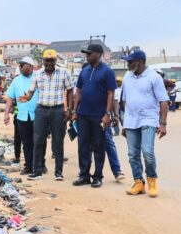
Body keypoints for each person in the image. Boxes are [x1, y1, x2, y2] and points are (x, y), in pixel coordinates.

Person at [121, 49, 169, 198]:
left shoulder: (154, 77)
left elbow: (163, 101)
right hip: (130, 120)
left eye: (130, 61)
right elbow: (124, 100)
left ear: (140, 62)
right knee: (132, 154)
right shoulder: (127, 77)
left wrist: (163, 124)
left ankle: (152, 180)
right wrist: (124, 122)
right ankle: (138, 182)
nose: (127, 64)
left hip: (148, 119)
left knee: (147, 151)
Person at [20, 49, 74, 181]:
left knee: (57, 142)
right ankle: (37, 171)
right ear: (43, 61)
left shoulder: (63, 72)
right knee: (38, 140)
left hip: (58, 110)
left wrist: (70, 109)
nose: (49, 63)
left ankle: (58, 172)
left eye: (52, 60)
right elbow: (31, 92)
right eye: (47, 60)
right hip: (41, 110)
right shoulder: (37, 74)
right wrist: (26, 97)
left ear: (56, 61)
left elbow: (70, 91)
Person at [72, 44, 116, 188]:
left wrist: (107, 114)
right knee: (82, 145)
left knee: (98, 146)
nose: (87, 55)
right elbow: (78, 91)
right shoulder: (84, 71)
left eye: (90, 53)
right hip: (83, 114)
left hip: (99, 115)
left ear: (99, 54)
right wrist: (74, 111)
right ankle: (84, 175)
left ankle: (97, 176)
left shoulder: (107, 71)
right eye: (86, 53)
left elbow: (111, 93)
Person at [4, 57, 46, 175]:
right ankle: (28, 166)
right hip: (22, 116)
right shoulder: (16, 81)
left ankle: (41, 165)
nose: (20, 66)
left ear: (31, 66)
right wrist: (6, 114)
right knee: (26, 142)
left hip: (38, 115)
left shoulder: (38, 78)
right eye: (20, 65)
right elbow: (10, 98)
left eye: (23, 64)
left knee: (39, 141)